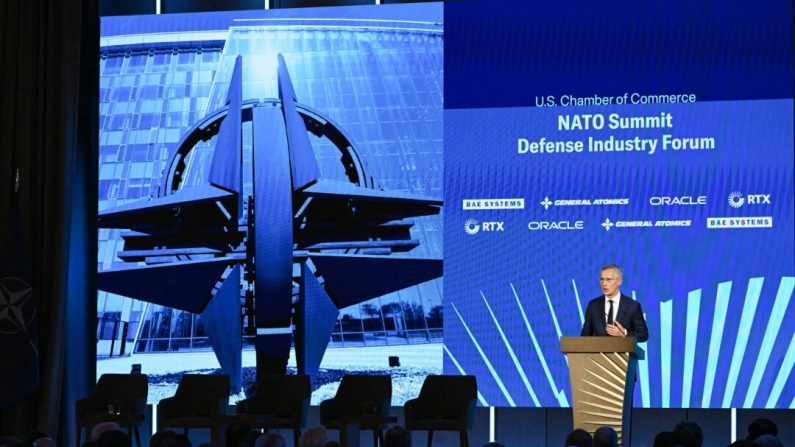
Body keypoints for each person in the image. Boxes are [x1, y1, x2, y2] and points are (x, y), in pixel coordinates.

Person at [581, 264, 649, 342]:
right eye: (602, 279)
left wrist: (624, 333)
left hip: (624, 353)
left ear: (619, 281)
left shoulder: (632, 306)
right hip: (599, 353)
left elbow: (643, 335)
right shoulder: (593, 305)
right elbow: (585, 336)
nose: (604, 284)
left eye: (608, 280)